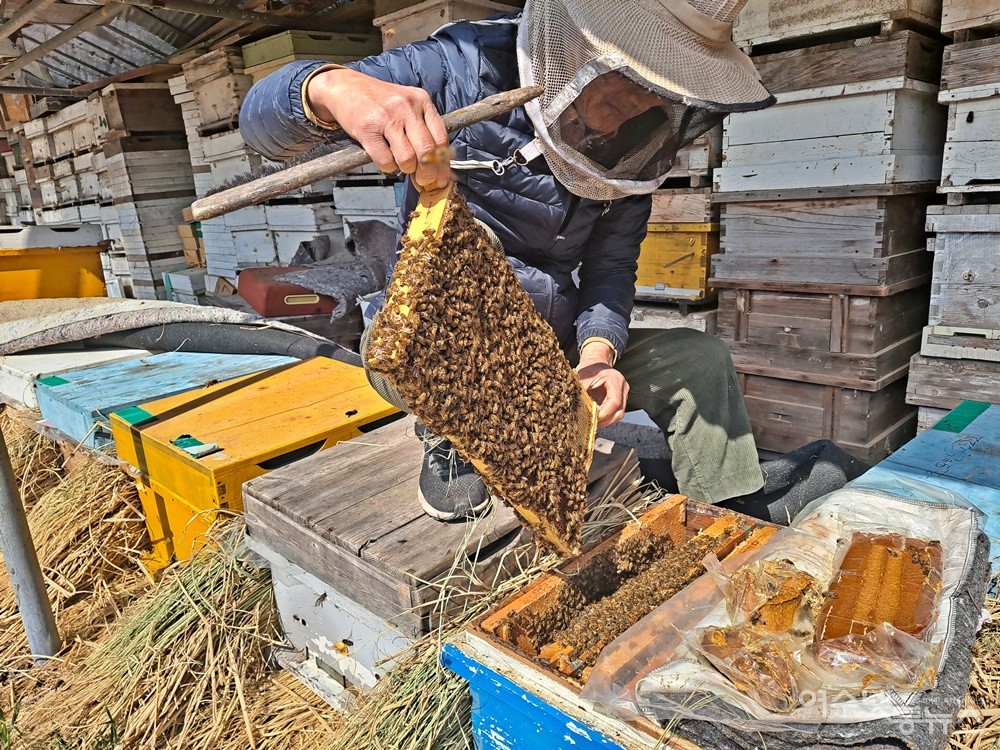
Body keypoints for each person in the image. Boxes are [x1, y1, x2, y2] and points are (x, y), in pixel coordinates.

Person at [239, 0, 863, 524]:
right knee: (409, 337)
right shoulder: (463, 67)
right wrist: (331, 87)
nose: (640, 103)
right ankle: (452, 436)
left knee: (699, 358)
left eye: (663, 89)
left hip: (554, 336)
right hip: (450, 335)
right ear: (584, 44)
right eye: (633, 76)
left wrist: (597, 356)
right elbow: (262, 122)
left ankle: (722, 515)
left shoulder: (637, 145)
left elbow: (611, 271)